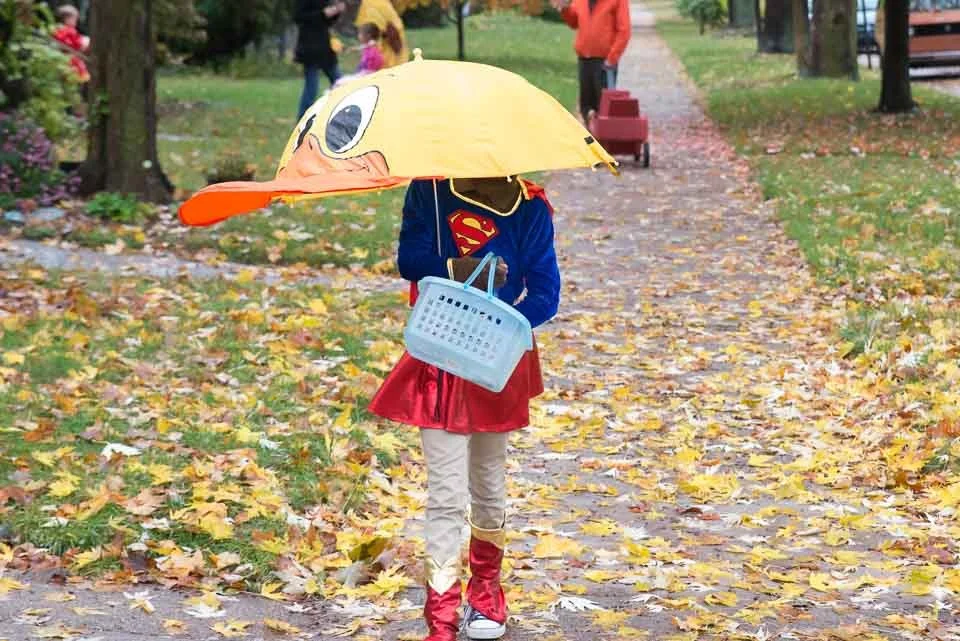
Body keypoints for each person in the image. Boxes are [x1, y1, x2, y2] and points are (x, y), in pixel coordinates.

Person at [368, 177, 560, 641]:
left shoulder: (529, 207)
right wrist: (456, 267)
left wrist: (504, 322)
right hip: (439, 354)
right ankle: (441, 606)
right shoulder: (429, 191)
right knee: (446, 492)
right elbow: (409, 260)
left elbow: (545, 292)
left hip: (497, 362)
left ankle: (487, 591)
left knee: (489, 484)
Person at [552, 0, 631, 123]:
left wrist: (612, 58)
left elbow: (624, 30)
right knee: (586, 105)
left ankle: (603, 139)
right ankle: (590, 135)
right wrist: (564, 9)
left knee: (604, 108)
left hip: (605, 63)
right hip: (584, 59)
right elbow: (574, 22)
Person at [295, 0, 346, 119]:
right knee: (311, 87)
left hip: (324, 47)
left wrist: (336, 12)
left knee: (340, 82)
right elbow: (299, 17)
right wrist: (322, 13)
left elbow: (325, 22)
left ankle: (346, 113)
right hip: (309, 47)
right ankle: (302, 119)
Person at [355, 0, 408, 68]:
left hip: (386, 60)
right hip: (394, 56)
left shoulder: (371, 5)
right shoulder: (381, 4)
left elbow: (368, 30)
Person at [52, 4, 90, 85]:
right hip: (72, 63)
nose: (76, 22)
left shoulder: (57, 30)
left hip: (62, 62)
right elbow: (78, 45)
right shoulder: (69, 31)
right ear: (67, 19)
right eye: (75, 19)